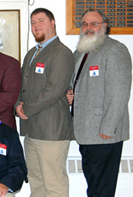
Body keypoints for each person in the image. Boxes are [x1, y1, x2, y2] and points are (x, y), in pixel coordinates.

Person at [66, 9, 132, 197]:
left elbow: (120, 93)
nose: (88, 28)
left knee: (102, 188)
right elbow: (73, 84)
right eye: (84, 24)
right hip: (85, 132)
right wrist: (69, 94)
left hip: (104, 134)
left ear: (104, 26)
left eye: (93, 24)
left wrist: (108, 127)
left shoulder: (115, 50)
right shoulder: (80, 52)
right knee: (94, 186)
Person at [15, 8, 74, 197]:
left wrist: (27, 109)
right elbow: (21, 85)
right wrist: (17, 105)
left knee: (54, 185)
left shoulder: (61, 52)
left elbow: (54, 90)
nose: (36, 26)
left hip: (52, 130)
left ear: (53, 23)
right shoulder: (31, 53)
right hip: (31, 130)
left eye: (40, 21)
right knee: (37, 183)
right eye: (33, 23)